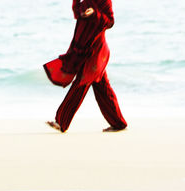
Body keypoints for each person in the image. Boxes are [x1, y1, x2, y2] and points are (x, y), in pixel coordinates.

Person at [43, 0, 127, 132]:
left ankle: (61, 122)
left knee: (80, 84)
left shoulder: (105, 1)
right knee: (102, 88)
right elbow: (78, 14)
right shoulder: (86, 2)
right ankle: (118, 123)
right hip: (84, 50)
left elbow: (110, 22)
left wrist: (95, 14)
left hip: (97, 51)